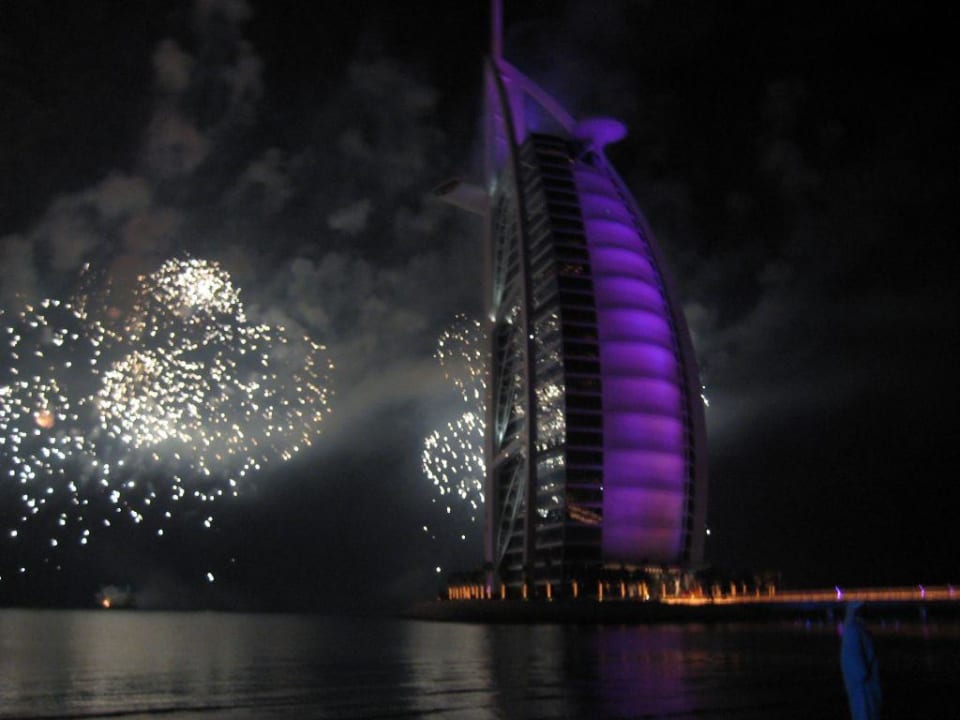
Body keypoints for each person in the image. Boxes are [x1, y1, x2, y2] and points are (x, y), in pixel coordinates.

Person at [841, 601, 882, 719]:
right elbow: (854, 661)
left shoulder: (857, 629)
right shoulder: (853, 630)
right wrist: (864, 677)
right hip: (862, 687)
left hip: (864, 684)